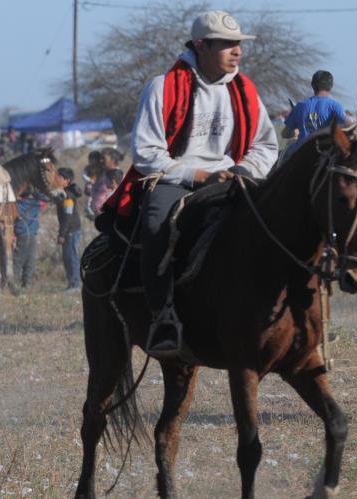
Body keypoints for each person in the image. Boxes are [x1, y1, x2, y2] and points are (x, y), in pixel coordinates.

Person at [131, 10, 278, 358]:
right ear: (200, 45)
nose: (237, 51)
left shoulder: (245, 90)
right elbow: (145, 151)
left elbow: (266, 145)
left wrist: (243, 171)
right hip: (176, 178)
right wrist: (197, 175)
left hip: (231, 177)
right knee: (155, 223)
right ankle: (162, 316)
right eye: (227, 44)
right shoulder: (162, 86)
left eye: (238, 44)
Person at [282, 70, 348, 156]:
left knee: (283, 155)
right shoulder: (335, 106)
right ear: (331, 86)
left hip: (300, 154)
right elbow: (346, 129)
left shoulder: (300, 106)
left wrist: (296, 132)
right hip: (324, 154)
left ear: (312, 85)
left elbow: (285, 134)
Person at [55, 168, 82, 291]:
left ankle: (75, 284)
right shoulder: (63, 193)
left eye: (59, 177)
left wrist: (62, 234)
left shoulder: (68, 196)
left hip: (71, 231)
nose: (56, 179)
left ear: (67, 181)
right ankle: (71, 283)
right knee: (67, 258)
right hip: (68, 231)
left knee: (72, 258)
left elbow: (67, 217)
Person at [12, 189, 45, 290]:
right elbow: (45, 200)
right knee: (30, 260)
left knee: (18, 260)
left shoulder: (16, 205)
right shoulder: (36, 204)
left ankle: (14, 281)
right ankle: (27, 283)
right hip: (32, 235)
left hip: (21, 234)